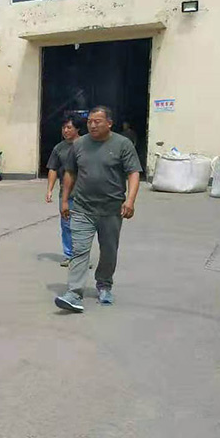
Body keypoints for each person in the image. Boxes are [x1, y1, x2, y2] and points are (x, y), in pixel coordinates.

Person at [55, 106, 142, 313]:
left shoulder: (122, 144)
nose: (92, 125)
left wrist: (130, 201)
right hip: (82, 207)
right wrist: (65, 200)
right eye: (89, 122)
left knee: (109, 250)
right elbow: (69, 173)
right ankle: (74, 292)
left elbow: (133, 173)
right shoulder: (79, 145)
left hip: (111, 209)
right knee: (79, 250)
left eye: (97, 121)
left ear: (109, 123)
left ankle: (104, 285)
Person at [45, 115, 84, 267]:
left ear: (77, 129)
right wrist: (49, 189)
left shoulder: (87, 145)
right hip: (66, 194)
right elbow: (53, 168)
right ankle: (69, 255)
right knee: (66, 225)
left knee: (83, 226)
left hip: (85, 194)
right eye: (63, 128)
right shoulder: (59, 148)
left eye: (69, 127)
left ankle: (81, 256)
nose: (65, 131)